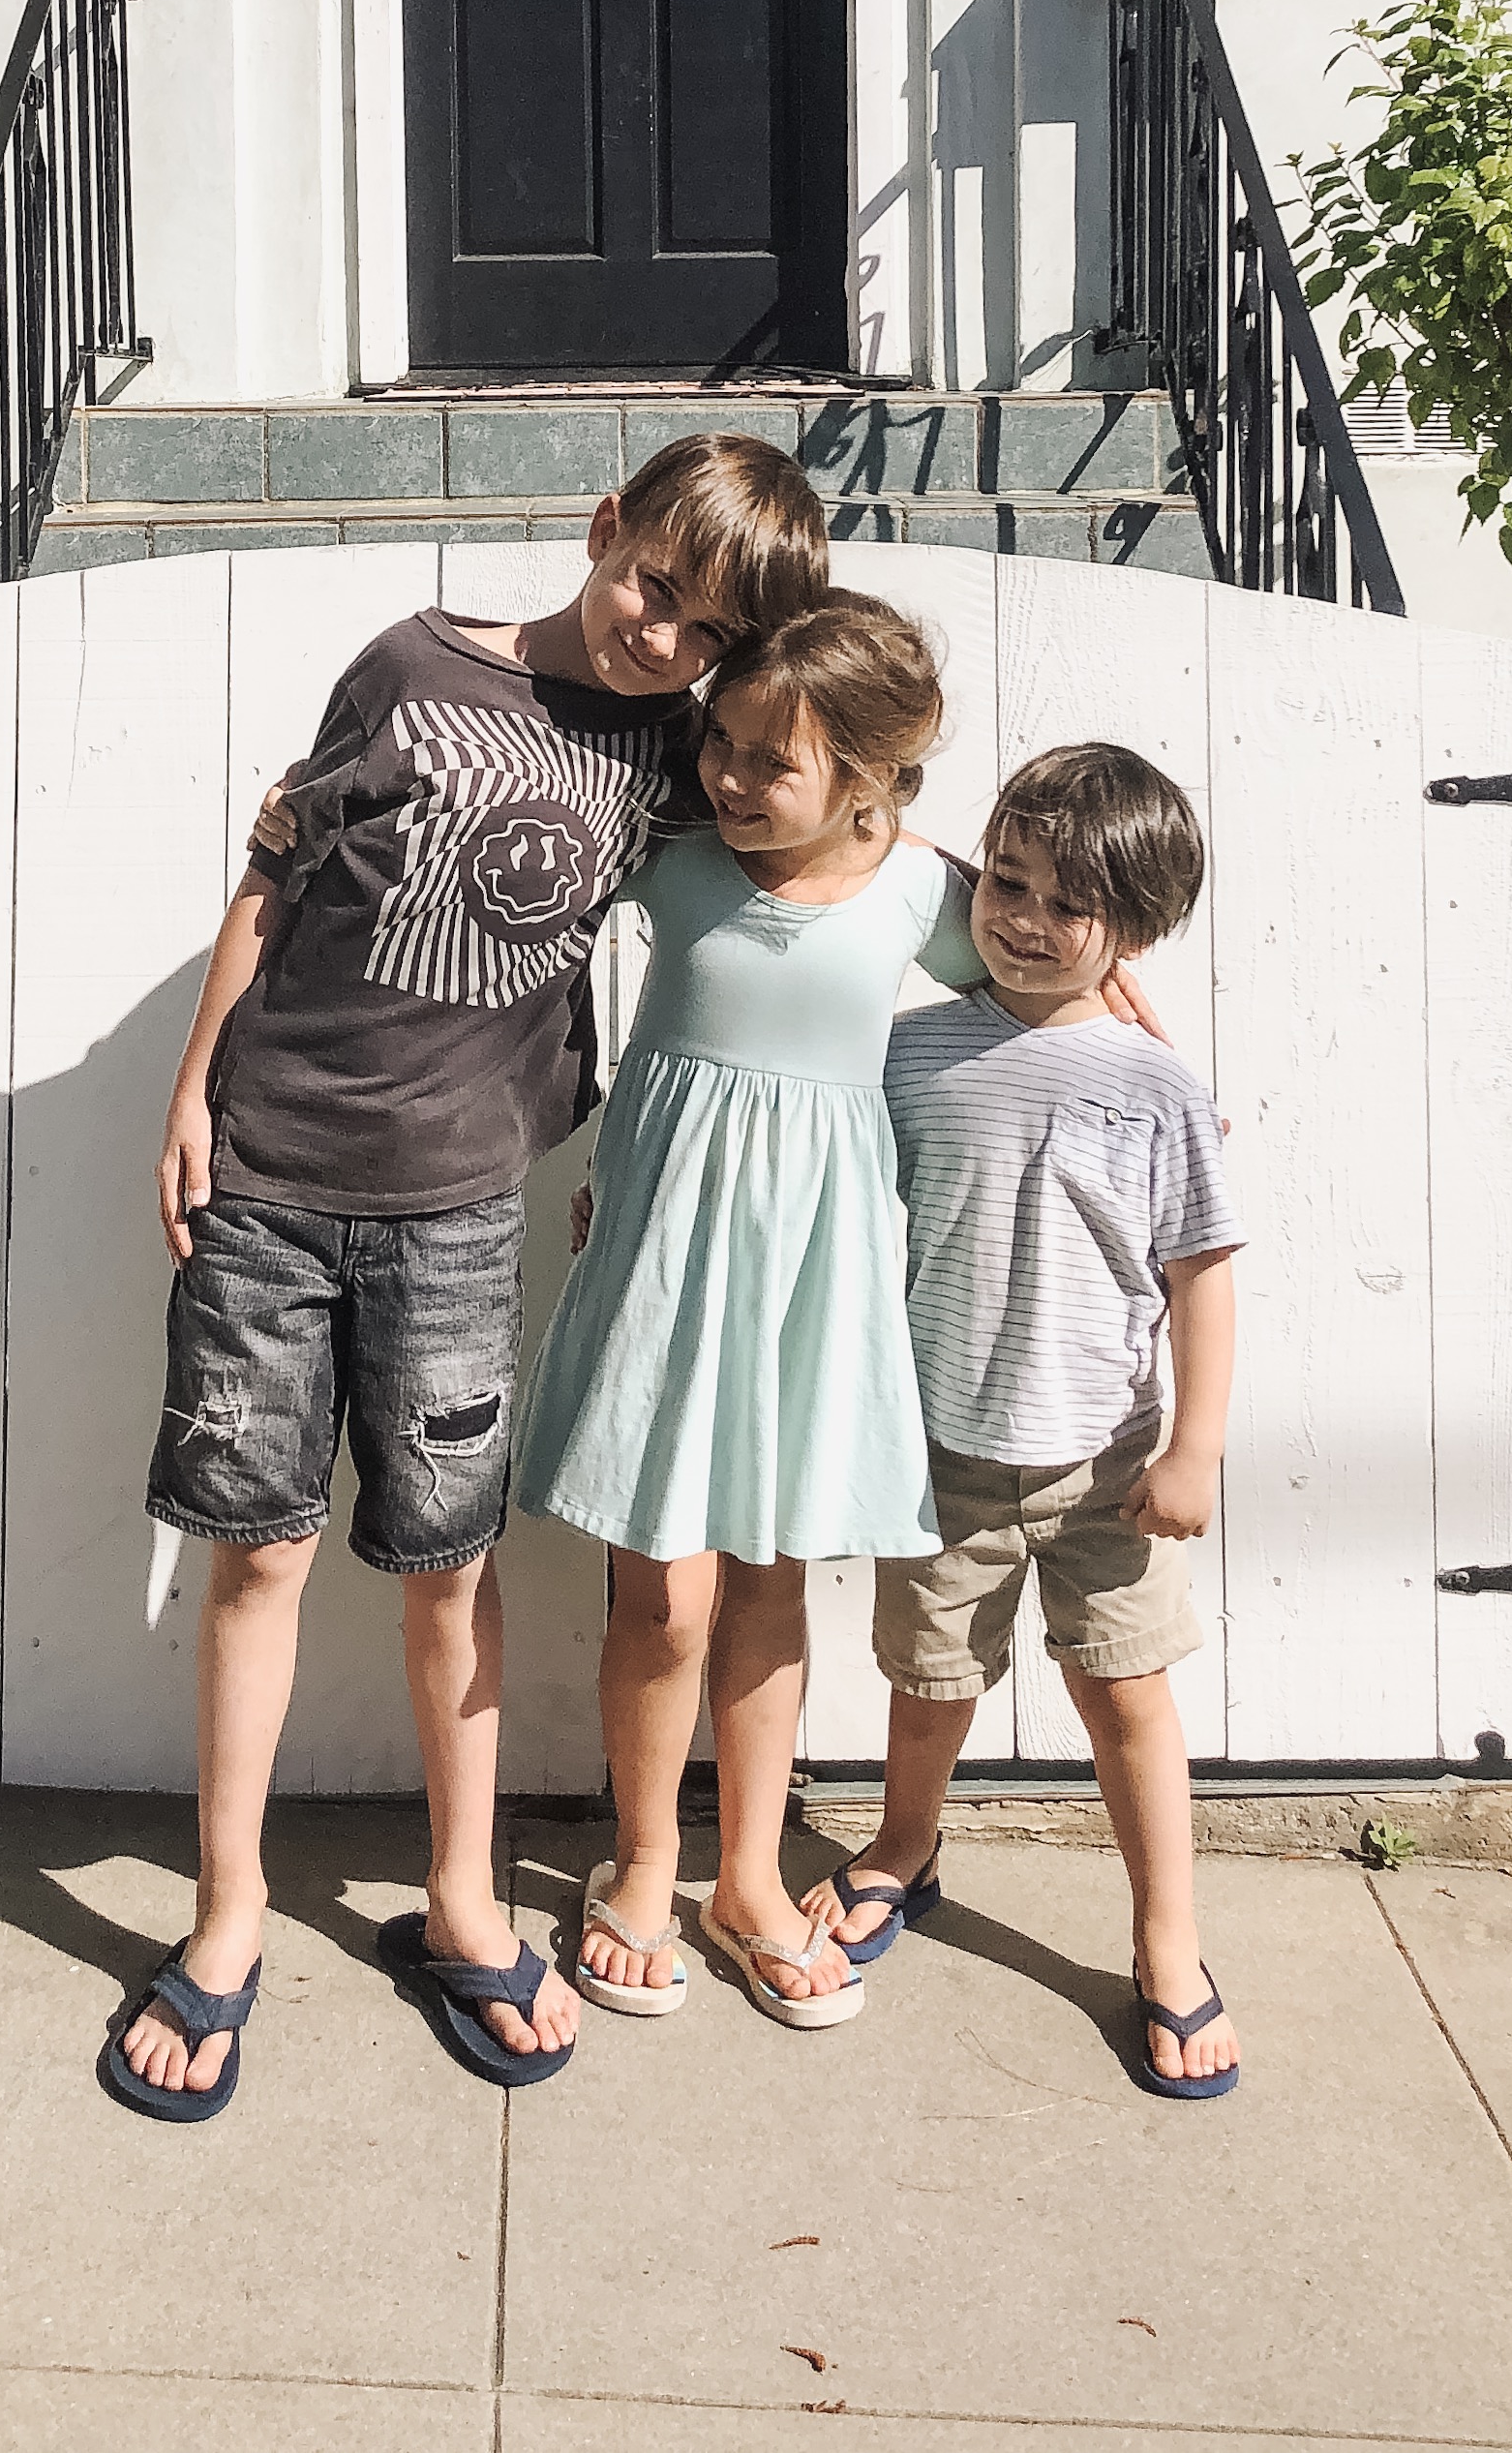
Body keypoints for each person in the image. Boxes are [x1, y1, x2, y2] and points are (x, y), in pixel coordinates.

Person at [103, 431, 828, 2121]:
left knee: (450, 1567)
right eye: (655, 586)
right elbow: (277, 866)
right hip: (269, 1181)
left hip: (456, 1211)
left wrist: (1073, 961)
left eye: (707, 630)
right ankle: (228, 1914)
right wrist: (192, 1088)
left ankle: (461, 1894)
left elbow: (838, 809)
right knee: (259, 1558)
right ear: (604, 531)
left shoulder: (673, 750)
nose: (664, 636)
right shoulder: (412, 665)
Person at [515, 594, 1023, 2027]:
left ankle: (746, 1877)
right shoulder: (674, 861)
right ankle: (643, 1862)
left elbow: (1043, 977)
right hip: (672, 1249)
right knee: (662, 1584)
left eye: (768, 759)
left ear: (868, 778)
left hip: (818, 1266)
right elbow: (516, 895)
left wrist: (1136, 1029)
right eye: (720, 742)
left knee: (770, 1574)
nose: (728, 776)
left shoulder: (925, 894)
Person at [805, 742, 1245, 2100]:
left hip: (1107, 1463)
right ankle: (902, 1848)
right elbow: (803, 1158)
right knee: (929, 1682)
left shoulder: (1156, 1082)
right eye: (1007, 880)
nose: (1025, 919)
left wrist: (1195, 1448)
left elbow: (1201, 1269)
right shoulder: (909, 1050)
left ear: (1136, 928)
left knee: (1126, 1697)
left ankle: (1166, 1938)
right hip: (937, 1451)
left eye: (1068, 904)